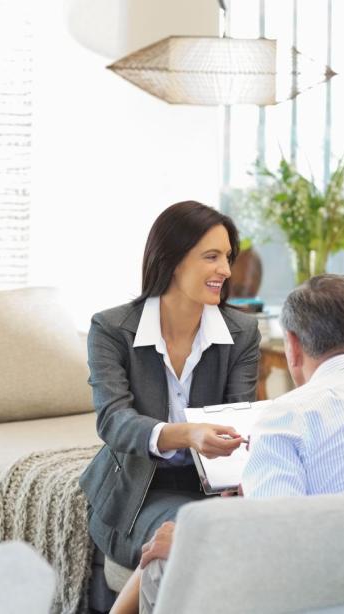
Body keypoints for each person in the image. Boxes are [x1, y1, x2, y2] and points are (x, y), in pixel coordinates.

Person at [113, 274, 344, 614]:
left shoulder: (286, 417)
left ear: (291, 345)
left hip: (337, 592)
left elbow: (278, 552)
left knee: (163, 558)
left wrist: (194, 542)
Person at [79, 201, 261, 577]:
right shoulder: (112, 329)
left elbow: (239, 417)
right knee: (198, 544)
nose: (226, 271)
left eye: (227, 257)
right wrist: (187, 434)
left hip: (215, 490)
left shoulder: (242, 332)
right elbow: (113, 421)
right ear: (173, 260)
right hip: (138, 493)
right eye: (211, 257)